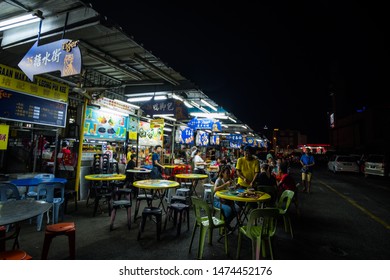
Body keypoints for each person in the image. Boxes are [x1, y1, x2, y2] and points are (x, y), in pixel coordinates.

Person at [213, 166, 239, 233]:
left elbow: (231, 190)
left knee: (238, 209)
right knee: (229, 210)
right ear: (222, 174)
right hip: (217, 201)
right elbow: (215, 189)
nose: (228, 175)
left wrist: (236, 187)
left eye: (229, 173)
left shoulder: (230, 180)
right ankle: (226, 225)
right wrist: (225, 184)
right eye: (227, 173)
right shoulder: (219, 180)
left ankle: (225, 224)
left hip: (228, 200)